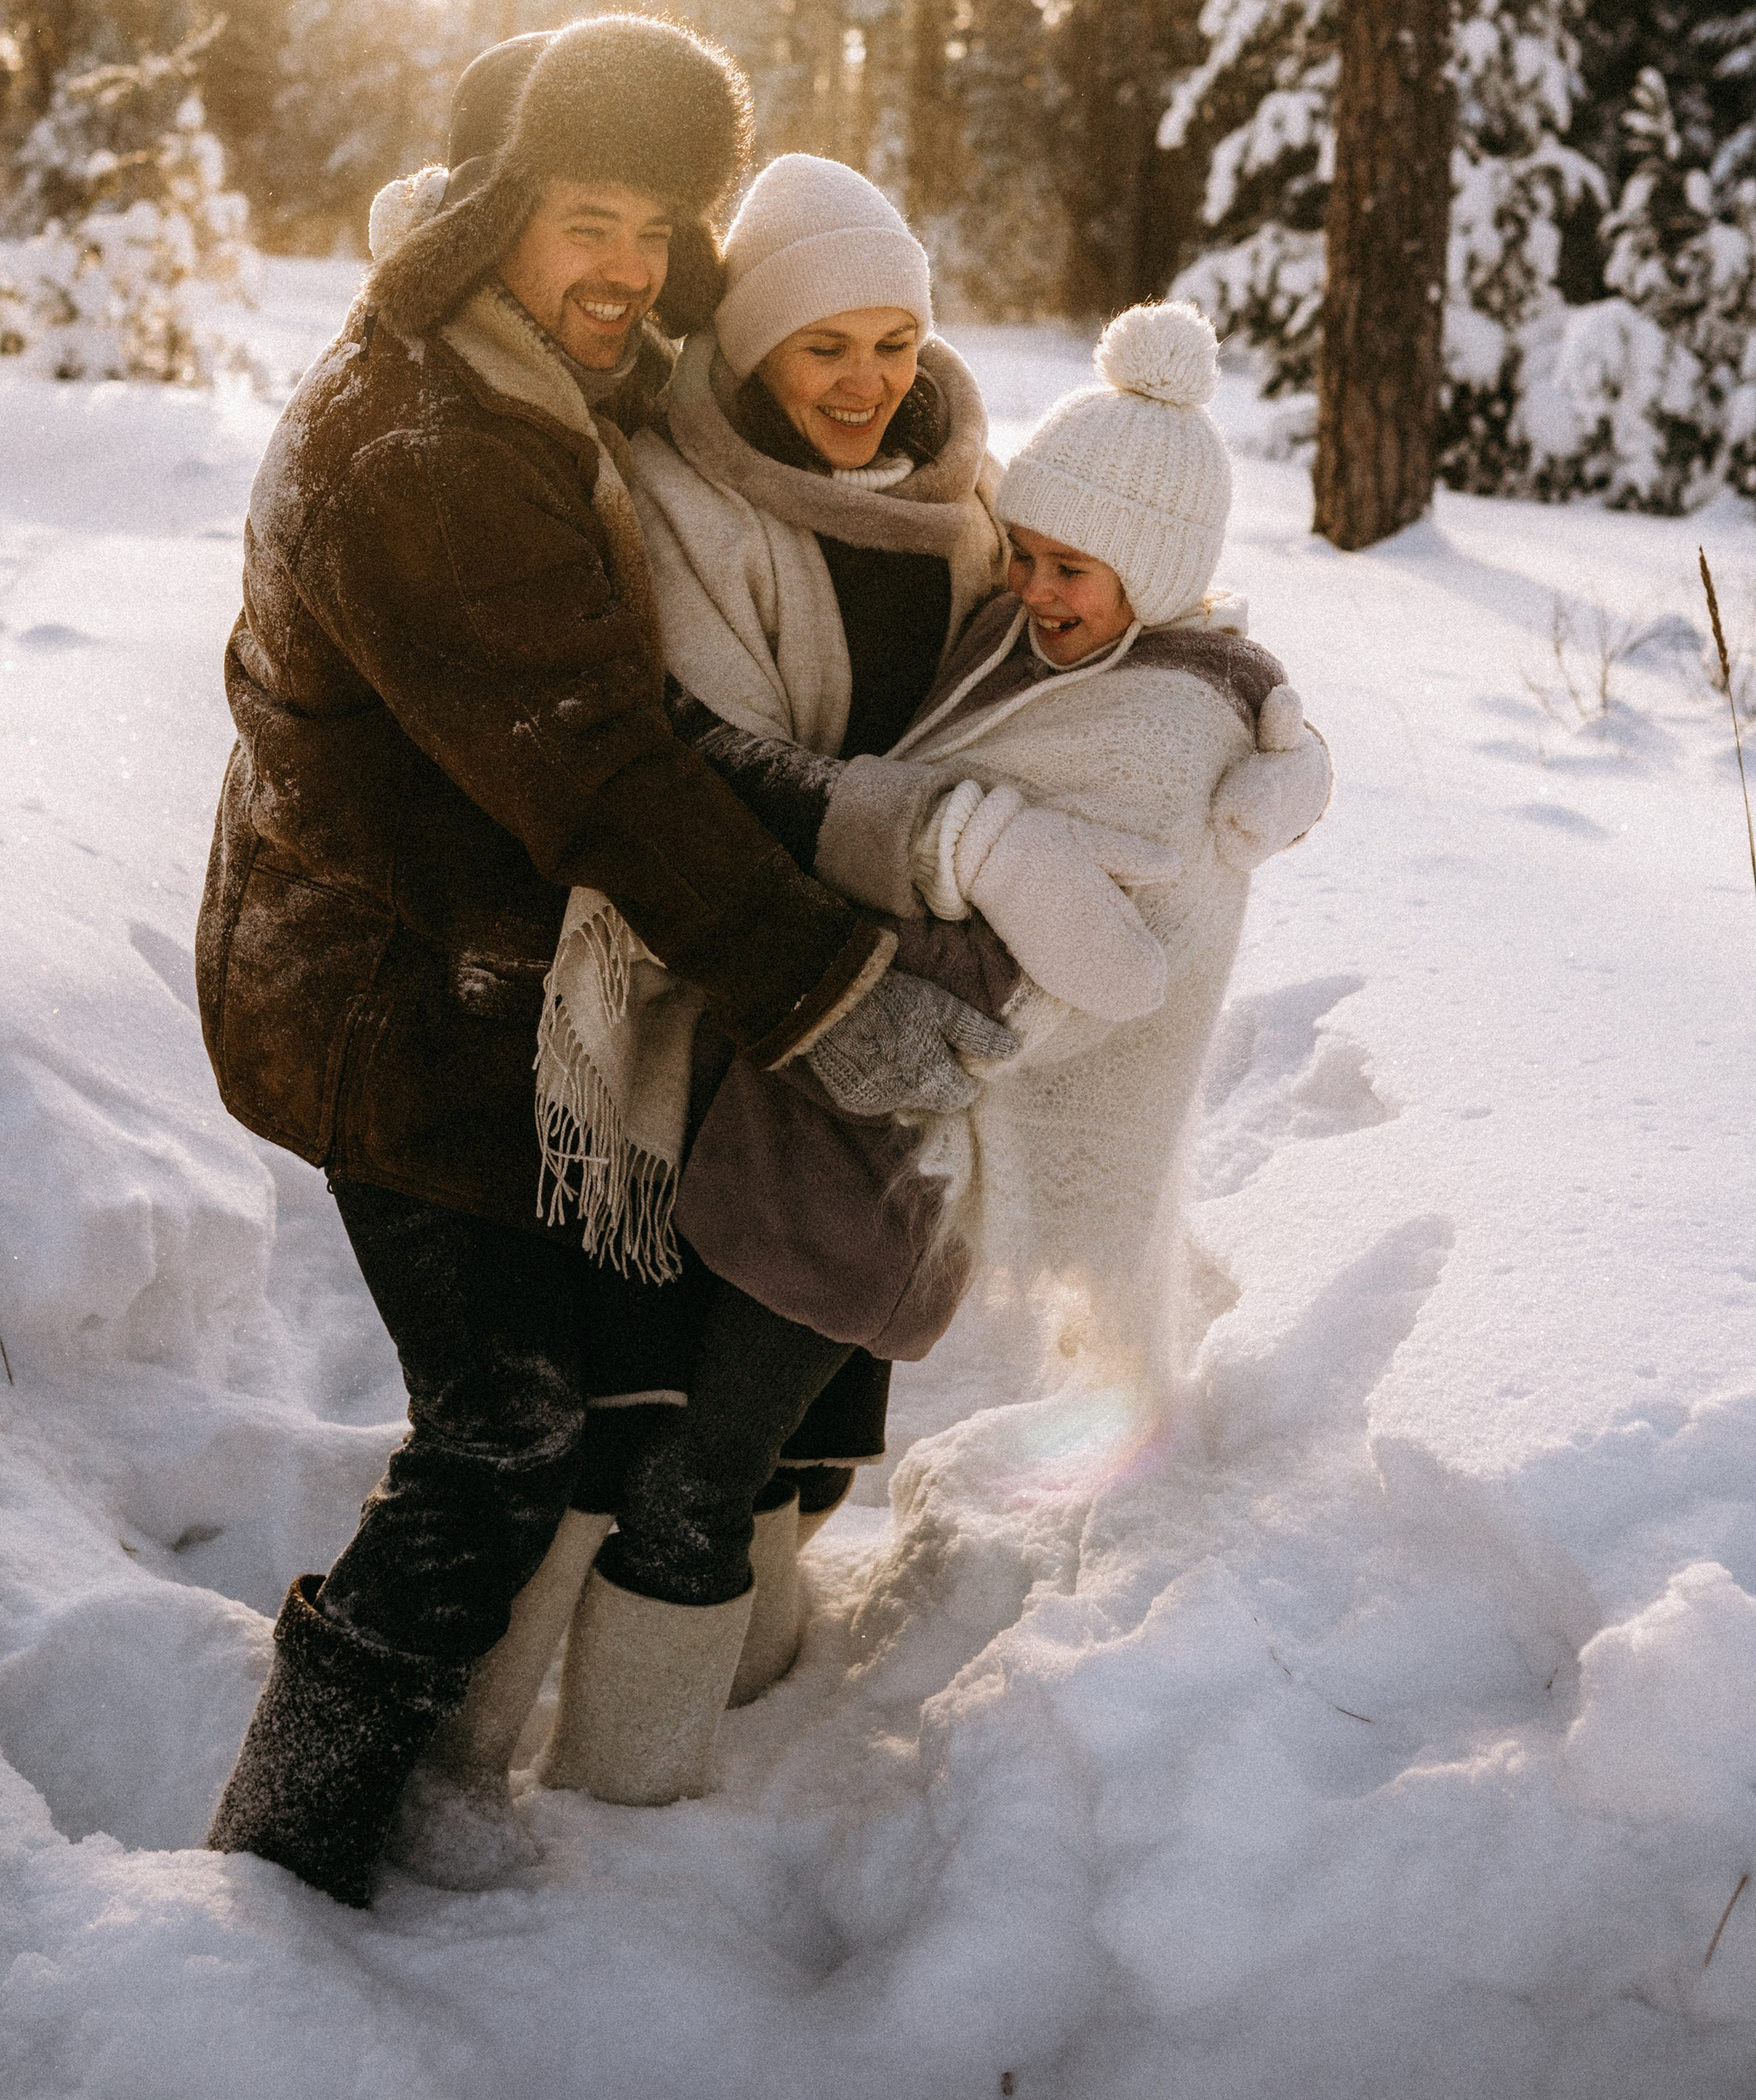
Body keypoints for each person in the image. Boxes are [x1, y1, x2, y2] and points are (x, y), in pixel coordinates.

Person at [197, 25, 998, 1908]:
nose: (627, 266)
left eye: (659, 224)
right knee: (504, 1430)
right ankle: (282, 1857)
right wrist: (827, 990)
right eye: (584, 218)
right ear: (493, 215)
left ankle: (408, 1798)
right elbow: (597, 767)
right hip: (383, 1007)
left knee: (555, 1398)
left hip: (474, 988)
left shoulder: (531, 380)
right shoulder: (431, 448)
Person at [521, 161, 1329, 1806]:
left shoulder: (978, 519)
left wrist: (1271, 755)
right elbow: (735, 772)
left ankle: (666, 1768)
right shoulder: (803, 525)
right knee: (694, 1444)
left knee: (759, 1445)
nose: (868, 379)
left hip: (895, 1088)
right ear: (749, 346)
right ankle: (643, 1783)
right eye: (822, 344)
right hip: (770, 1011)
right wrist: (965, 840)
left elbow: (1135, 809)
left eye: (896, 338)